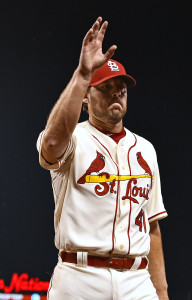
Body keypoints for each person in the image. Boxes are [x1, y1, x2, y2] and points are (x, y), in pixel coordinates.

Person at [37, 17, 169, 300]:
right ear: (87, 95)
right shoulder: (74, 139)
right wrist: (82, 76)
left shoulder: (145, 149)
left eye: (121, 86)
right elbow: (50, 143)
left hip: (137, 279)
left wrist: (161, 291)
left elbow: (153, 224)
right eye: (106, 86)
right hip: (80, 276)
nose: (117, 92)